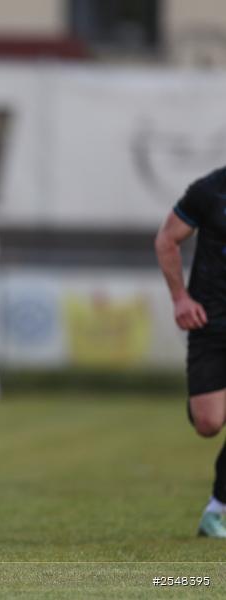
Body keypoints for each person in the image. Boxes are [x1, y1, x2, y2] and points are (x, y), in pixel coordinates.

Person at [155, 164, 226, 538]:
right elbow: (167, 239)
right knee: (209, 424)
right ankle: (205, 401)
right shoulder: (210, 191)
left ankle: (216, 509)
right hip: (210, 322)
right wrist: (180, 298)